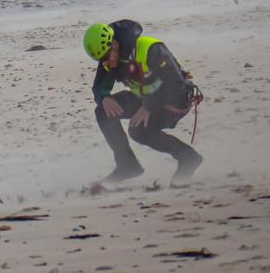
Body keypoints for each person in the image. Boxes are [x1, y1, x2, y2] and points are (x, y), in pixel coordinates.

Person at [83, 20, 204, 185]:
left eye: (106, 57)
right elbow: (99, 87)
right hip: (146, 99)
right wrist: (103, 97)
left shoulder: (150, 49)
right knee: (103, 111)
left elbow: (175, 83)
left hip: (176, 99)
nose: (106, 63)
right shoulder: (107, 60)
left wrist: (148, 107)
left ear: (114, 45)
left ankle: (188, 157)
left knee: (138, 131)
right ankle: (127, 165)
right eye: (100, 60)